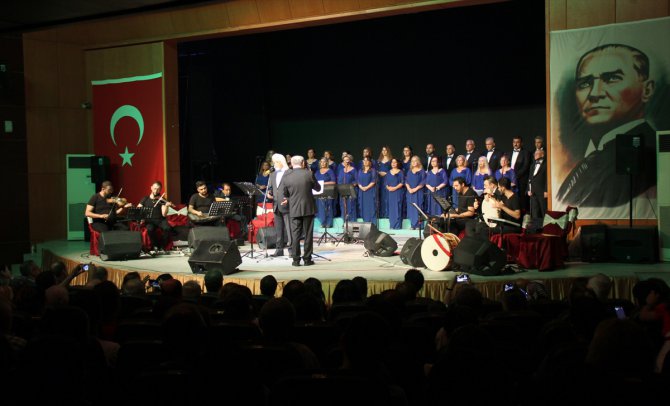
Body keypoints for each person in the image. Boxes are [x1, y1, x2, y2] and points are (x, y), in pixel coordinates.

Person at [556, 44, 656, 209]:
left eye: (611, 78)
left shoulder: (646, 153)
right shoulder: (596, 154)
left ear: (647, 89)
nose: (595, 93)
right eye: (585, 83)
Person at [279, 155, 322, 267]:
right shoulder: (308, 173)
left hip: (294, 209)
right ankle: (307, 259)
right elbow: (318, 188)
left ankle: (296, 260)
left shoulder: (287, 176)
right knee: (308, 234)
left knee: (295, 235)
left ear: (292, 164)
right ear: (303, 162)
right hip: (308, 208)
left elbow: (285, 193)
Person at [137, 181, 173, 251]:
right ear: (151, 188)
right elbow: (138, 209)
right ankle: (156, 245)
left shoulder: (162, 199)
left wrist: (166, 206)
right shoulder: (145, 198)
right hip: (149, 220)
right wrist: (141, 217)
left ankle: (162, 245)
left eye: (158, 189)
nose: (156, 191)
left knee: (167, 228)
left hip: (160, 220)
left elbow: (164, 214)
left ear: (160, 190)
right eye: (155, 188)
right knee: (150, 229)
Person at [267, 154, 292, 257]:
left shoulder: (289, 173)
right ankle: (279, 249)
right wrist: (269, 192)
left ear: (281, 162)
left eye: (276, 162)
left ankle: (292, 249)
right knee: (278, 229)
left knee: (289, 229)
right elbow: (271, 188)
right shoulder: (272, 174)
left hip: (286, 204)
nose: (274, 164)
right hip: (276, 204)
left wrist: (289, 199)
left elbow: (293, 189)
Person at [511, 136, 532, 210]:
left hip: (521, 180)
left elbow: (526, 167)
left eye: (517, 142)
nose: (515, 144)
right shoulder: (509, 153)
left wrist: (515, 176)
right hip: (510, 180)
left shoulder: (526, 153)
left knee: (522, 200)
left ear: (521, 143)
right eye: (514, 142)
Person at [315, 158, 337, 228]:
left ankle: (329, 223)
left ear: (327, 163)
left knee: (328, 206)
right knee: (320, 207)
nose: (322, 163)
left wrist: (323, 183)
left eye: (324, 162)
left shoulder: (330, 171)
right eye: (321, 162)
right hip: (319, 192)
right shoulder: (317, 172)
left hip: (328, 191)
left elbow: (333, 182)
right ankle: (322, 222)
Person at [405, 156, 426, 230]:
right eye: (412, 161)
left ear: (418, 162)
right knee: (411, 208)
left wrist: (415, 189)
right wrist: (409, 189)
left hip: (418, 192)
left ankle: (419, 225)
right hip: (410, 192)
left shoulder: (422, 171)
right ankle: (412, 225)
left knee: (418, 207)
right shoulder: (409, 171)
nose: (414, 162)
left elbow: (423, 181)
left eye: (415, 161)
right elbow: (406, 181)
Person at [337, 154, 358, 223]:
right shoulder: (341, 170)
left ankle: (352, 222)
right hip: (343, 191)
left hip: (351, 190)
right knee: (343, 206)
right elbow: (339, 181)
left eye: (347, 160)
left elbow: (357, 180)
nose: (346, 161)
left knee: (351, 206)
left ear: (350, 161)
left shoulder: (354, 170)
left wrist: (352, 185)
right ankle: (345, 222)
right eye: (345, 160)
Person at [385, 158, 405, 230]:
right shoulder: (388, 172)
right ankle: (392, 225)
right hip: (390, 193)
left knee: (398, 208)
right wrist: (389, 188)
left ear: (397, 164)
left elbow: (402, 182)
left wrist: (395, 188)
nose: (393, 163)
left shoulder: (400, 172)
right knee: (391, 209)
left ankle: (397, 226)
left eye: (395, 162)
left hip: (398, 192)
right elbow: (386, 183)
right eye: (392, 162)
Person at [528, 149, 547, 221]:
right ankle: (535, 228)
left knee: (543, 210)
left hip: (542, 192)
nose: (534, 155)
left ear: (542, 154)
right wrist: (528, 190)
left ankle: (546, 227)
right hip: (533, 192)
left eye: (537, 153)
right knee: (535, 212)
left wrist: (546, 190)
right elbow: (530, 179)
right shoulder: (532, 165)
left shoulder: (546, 165)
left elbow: (547, 179)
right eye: (534, 154)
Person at [357, 157, 377, 223]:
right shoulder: (360, 171)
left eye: (367, 160)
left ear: (370, 162)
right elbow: (358, 181)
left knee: (371, 206)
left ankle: (372, 223)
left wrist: (366, 187)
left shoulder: (373, 170)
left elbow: (373, 181)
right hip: (362, 191)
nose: (365, 162)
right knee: (363, 206)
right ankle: (365, 221)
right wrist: (361, 187)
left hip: (370, 191)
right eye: (364, 160)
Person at [376, 146, 392, 218]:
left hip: (387, 179)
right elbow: (376, 169)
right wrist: (379, 172)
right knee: (381, 196)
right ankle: (382, 214)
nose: (384, 151)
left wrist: (386, 173)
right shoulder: (379, 160)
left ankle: (387, 214)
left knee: (387, 195)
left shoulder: (391, 160)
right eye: (383, 150)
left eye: (385, 150)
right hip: (380, 179)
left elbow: (393, 169)